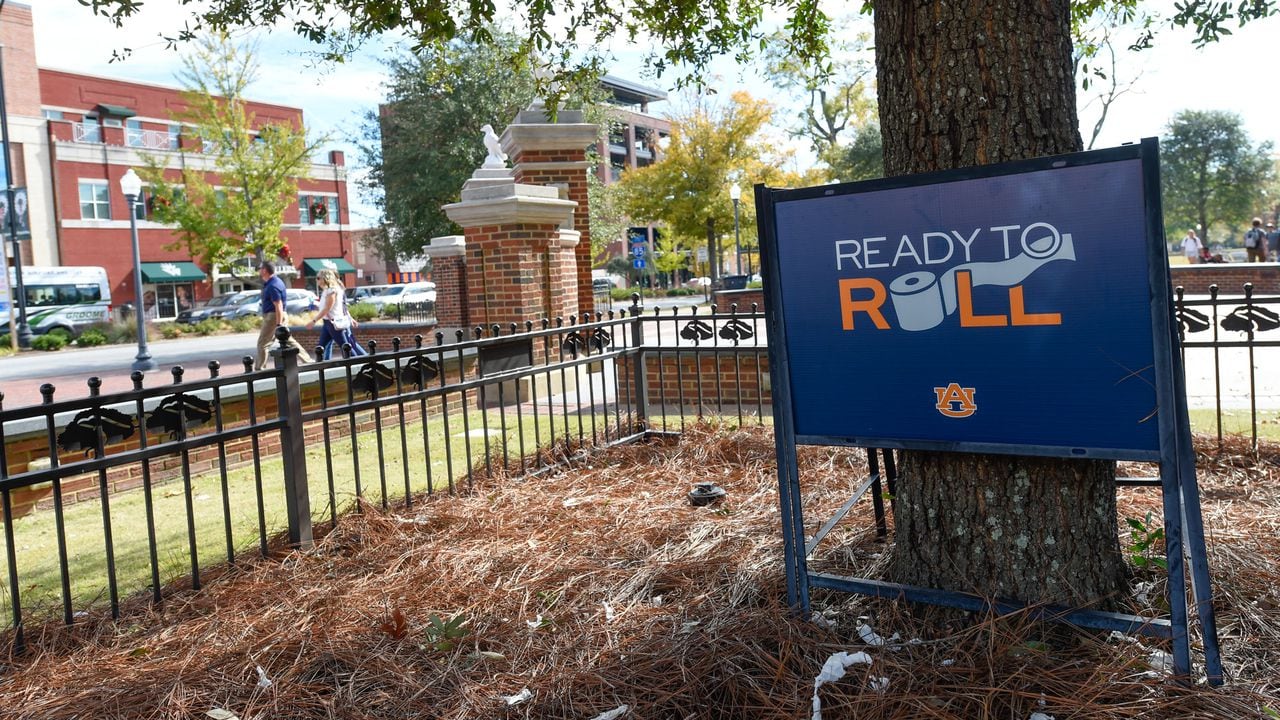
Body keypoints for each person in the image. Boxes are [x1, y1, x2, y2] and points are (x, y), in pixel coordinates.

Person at [254, 261, 314, 371]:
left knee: (263, 343)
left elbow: (278, 305)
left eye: (260, 268)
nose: (259, 270)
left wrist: (279, 323)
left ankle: (259, 369)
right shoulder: (275, 282)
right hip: (276, 315)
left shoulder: (273, 285)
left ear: (265, 270)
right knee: (288, 340)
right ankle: (307, 360)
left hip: (273, 316)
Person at [305, 268, 366, 359]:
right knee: (321, 347)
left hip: (333, 323)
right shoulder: (328, 291)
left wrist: (314, 321)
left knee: (346, 347)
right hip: (327, 323)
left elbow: (327, 308)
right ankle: (321, 369)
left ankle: (359, 365)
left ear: (325, 278)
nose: (316, 280)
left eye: (318, 278)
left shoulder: (332, 291)